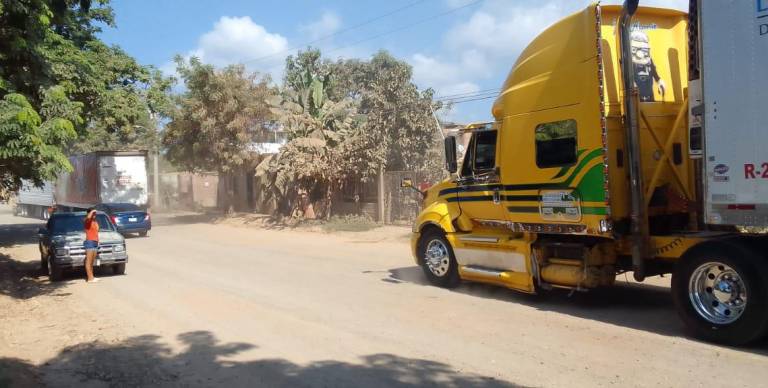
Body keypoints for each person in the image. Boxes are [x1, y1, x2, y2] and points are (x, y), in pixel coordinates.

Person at [630, 30, 666, 102]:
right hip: (637, 97)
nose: (641, 54)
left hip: (649, 95)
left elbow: (653, 70)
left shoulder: (648, 60)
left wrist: (659, 81)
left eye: (644, 50)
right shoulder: (630, 63)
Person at [83, 208, 100, 283]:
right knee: (88, 261)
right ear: (89, 213)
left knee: (92, 261)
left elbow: (96, 233)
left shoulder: (95, 222)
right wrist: (92, 211)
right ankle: (89, 278)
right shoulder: (87, 220)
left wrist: (98, 241)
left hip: (95, 242)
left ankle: (92, 276)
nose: (94, 215)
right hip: (89, 242)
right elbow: (88, 217)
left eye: (95, 214)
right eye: (93, 213)